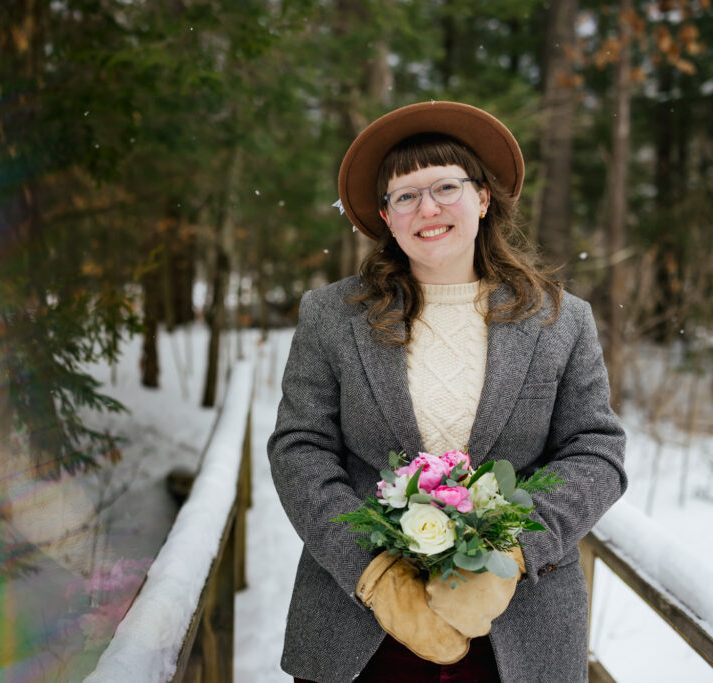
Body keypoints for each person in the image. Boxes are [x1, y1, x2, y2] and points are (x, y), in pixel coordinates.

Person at [267, 101, 627, 683]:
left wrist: (510, 557)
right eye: (404, 196)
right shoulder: (332, 316)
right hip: (359, 631)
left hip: (520, 631)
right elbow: (299, 448)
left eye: (445, 187)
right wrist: (375, 574)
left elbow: (596, 451)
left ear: (483, 198)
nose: (426, 208)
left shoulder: (561, 320)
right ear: (386, 215)